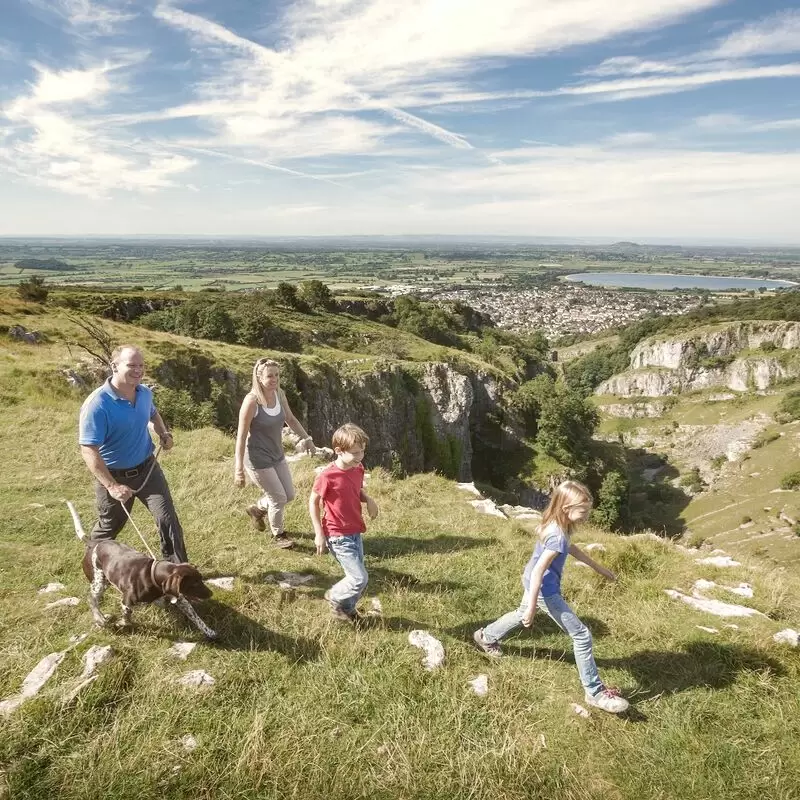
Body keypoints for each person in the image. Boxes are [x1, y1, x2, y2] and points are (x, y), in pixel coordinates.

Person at [473, 480, 629, 714]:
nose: (587, 515)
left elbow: (569, 548)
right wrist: (533, 606)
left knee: (520, 613)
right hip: (545, 589)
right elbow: (539, 571)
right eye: (583, 511)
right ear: (566, 508)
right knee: (582, 636)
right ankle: (595, 692)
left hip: (535, 581)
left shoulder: (557, 525)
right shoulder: (557, 534)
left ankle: (485, 636)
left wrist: (599, 568)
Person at [78, 345, 188, 563]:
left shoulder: (144, 392)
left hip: (148, 470)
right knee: (109, 527)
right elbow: (88, 449)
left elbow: (153, 414)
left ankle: (177, 573)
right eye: (131, 365)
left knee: (168, 520)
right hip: (114, 476)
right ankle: (93, 568)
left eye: (141, 365)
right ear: (114, 366)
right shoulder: (97, 404)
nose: (138, 370)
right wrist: (111, 486)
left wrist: (163, 433)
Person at [234, 358, 315, 549]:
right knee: (278, 497)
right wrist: (238, 468)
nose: (274, 379)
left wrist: (307, 439)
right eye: (270, 376)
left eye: (277, 375)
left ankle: (258, 508)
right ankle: (278, 535)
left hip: (277, 454)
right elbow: (241, 436)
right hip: (257, 458)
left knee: (289, 495)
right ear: (259, 377)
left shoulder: (279, 394)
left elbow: (291, 419)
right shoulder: (252, 401)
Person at [309, 423, 379, 622]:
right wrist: (318, 534)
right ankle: (335, 596)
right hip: (337, 534)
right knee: (358, 578)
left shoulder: (358, 469)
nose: (360, 457)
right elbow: (313, 502)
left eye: (363, 451)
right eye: (355, 453)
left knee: (360, 579)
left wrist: (369, 500)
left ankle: (346, 609)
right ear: (338, 451)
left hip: (355, 531)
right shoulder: (327, 476)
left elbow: (355, 491)